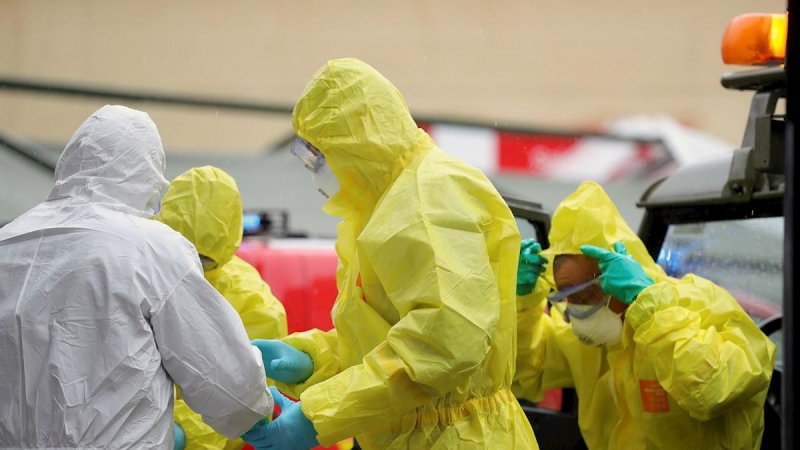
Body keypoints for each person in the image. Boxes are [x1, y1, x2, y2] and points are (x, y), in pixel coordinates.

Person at [242, 57, 540, 450]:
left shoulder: (425, 197)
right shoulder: (386, 206)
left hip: (457, 437)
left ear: (354, 145)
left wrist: (319, 417)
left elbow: (445, 345)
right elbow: (384, 345)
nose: (314, 168)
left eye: (319, 153)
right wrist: (311, 359)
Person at [0, 105, 273, 449]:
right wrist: (261, 414)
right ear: (147, 174)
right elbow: (232, 389)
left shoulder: (9, 242)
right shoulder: (150, 248)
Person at [513, 180, 777, 449]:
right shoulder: (598, 341)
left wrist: (648, 307)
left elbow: (711, 389)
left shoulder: (701, 305)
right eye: (565, 298)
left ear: (619, 278)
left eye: (583, 296)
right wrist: (522, 302)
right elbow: (526, 368)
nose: (576, 311)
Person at [154, 165, 289, 450]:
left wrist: (180, 432)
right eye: (181, 251)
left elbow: (246, 402)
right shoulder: (142, 273)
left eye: (203, 259)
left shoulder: (251, 301)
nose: (191, 268)